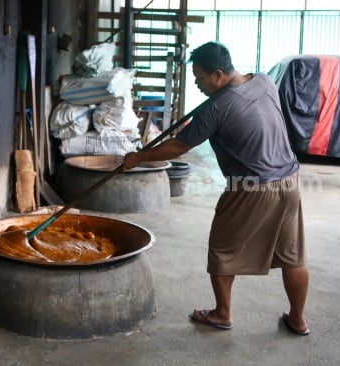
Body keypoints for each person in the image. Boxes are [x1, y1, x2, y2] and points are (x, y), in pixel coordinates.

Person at [123, 41, 310, 335]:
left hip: (251, 187)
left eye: (200, 78)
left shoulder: (215, 108)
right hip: (290, 181)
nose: (197, 84)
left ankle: (222, 313)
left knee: (222, 249)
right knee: (292, 255)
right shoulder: (263, 80)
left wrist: (138, 158)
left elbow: (179, 146)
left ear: (219, 75)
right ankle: (298, 320)